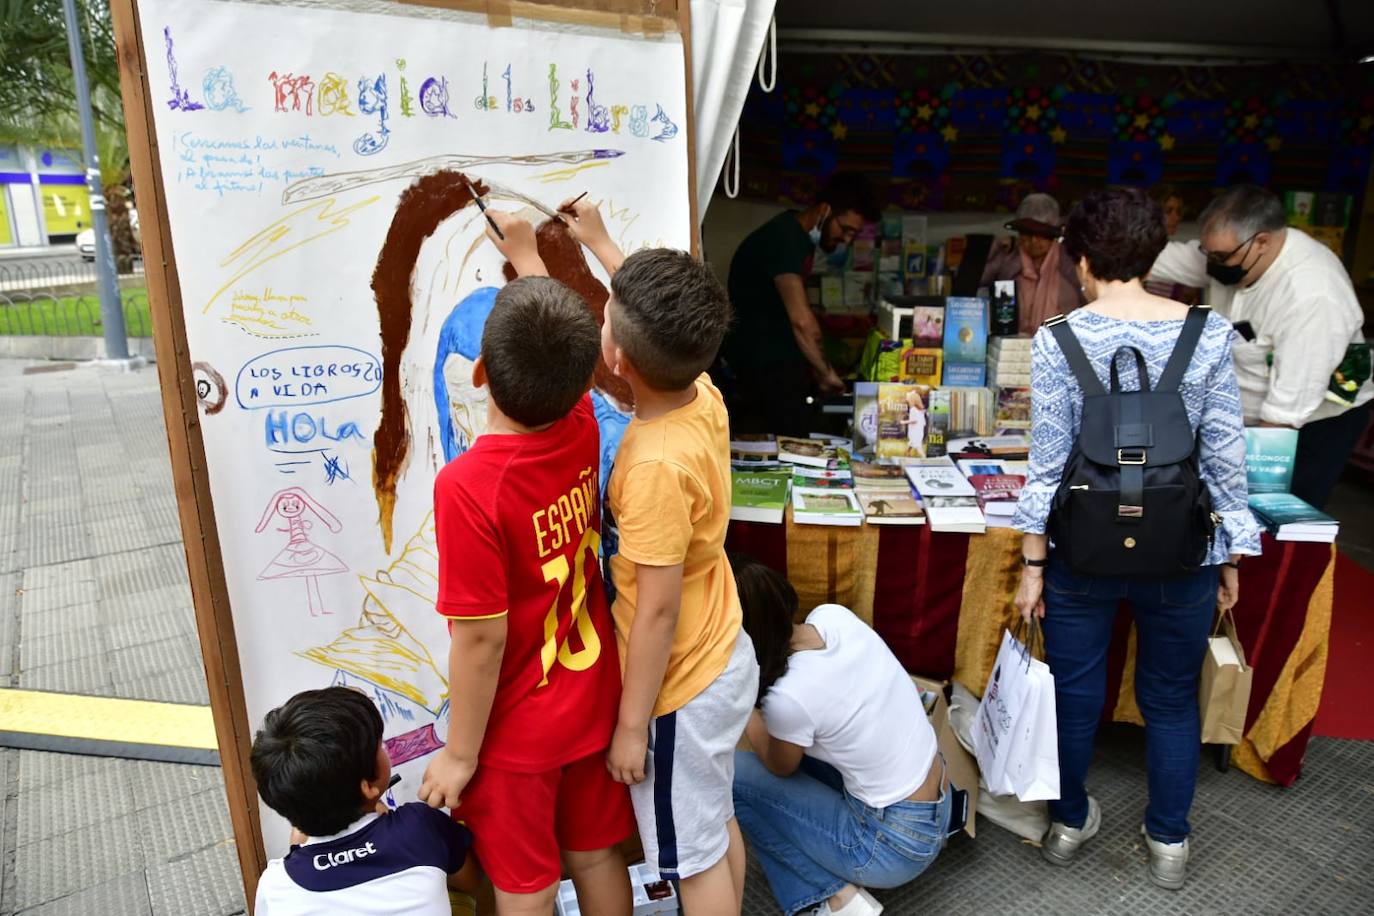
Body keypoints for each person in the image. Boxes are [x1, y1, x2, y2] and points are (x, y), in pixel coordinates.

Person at [1011, 188, 1263, 889]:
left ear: (1083, 257)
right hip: (1180, 549)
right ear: (1151, 253)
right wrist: (1230, 554)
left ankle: (1067, 823)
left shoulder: (1060, 339)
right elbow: (1223, 457)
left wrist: (1034, 565)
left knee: (1073, 694)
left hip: (1083, 550)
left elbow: (1046, 464)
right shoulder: (1207, 332)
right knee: (1172, 696)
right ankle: (1169, 841)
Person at [420, 223, 635, 916]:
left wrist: (458, 755)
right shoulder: (580, 421)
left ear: (479, 371)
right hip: (591, 695)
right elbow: (562, 352)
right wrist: (529, 258)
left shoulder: (467, 487)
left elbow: (479, 640)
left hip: (515, 734)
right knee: (596, 854)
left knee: (526, 884)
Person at [590, 232, 759, 913]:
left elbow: (655, 611)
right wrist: (601, 242)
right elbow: (659, 315)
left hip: (677, 689)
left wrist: (633, 727)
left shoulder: (653, 467)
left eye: (604, 316)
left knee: (691, 858)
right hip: (721, 647)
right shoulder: (703, 391)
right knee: (713, 826)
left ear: (617, 358)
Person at [730, 556, 951, 916]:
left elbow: (778, 766)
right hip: (937, 802)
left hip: (890, 846)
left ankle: (836, 899)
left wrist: (740, 698)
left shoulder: (789, 699)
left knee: (732, 778)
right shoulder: (832, 616)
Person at [1148, 184, 1373, 509]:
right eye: (1207, 254)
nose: (1212, 264)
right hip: (1243, 411)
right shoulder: (1232, 253)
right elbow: (1160, 260)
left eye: (1221, 257)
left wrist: (1241, 493)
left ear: (1262, 242)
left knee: (1270, 517)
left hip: (1308, 425)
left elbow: (1283, 417)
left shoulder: (1312, 295)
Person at [250, 687, 479, 915]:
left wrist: (296, 848)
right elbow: (470, 883)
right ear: (367, 787)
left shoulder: (275, 886)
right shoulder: (421, 826)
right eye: (380, 745)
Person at [719, 173, 881, 435]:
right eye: (846, 229)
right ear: (825, 210)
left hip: (770, 364)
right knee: (795, 442)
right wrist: (825, 373)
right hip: (764, 367)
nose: (847, 240)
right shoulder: (785, 239)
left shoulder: (794, 237)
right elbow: (800, 320)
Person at [981, 192, 1085, 333]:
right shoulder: (1008, 258)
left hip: (1065, 346)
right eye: (1027, 234)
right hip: (1013, 346)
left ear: (1052, 235)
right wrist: (996, 247)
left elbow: (1091, 298)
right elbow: (977, 280)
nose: (1034, 241)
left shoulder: (1069, 261)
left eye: (1041, 234)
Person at [1143, 184, 1201, 305]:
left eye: (1179, 211)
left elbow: (1197, 313)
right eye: (1168, 211)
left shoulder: (1181, 256)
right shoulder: (1134, 252)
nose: (1176, 217)